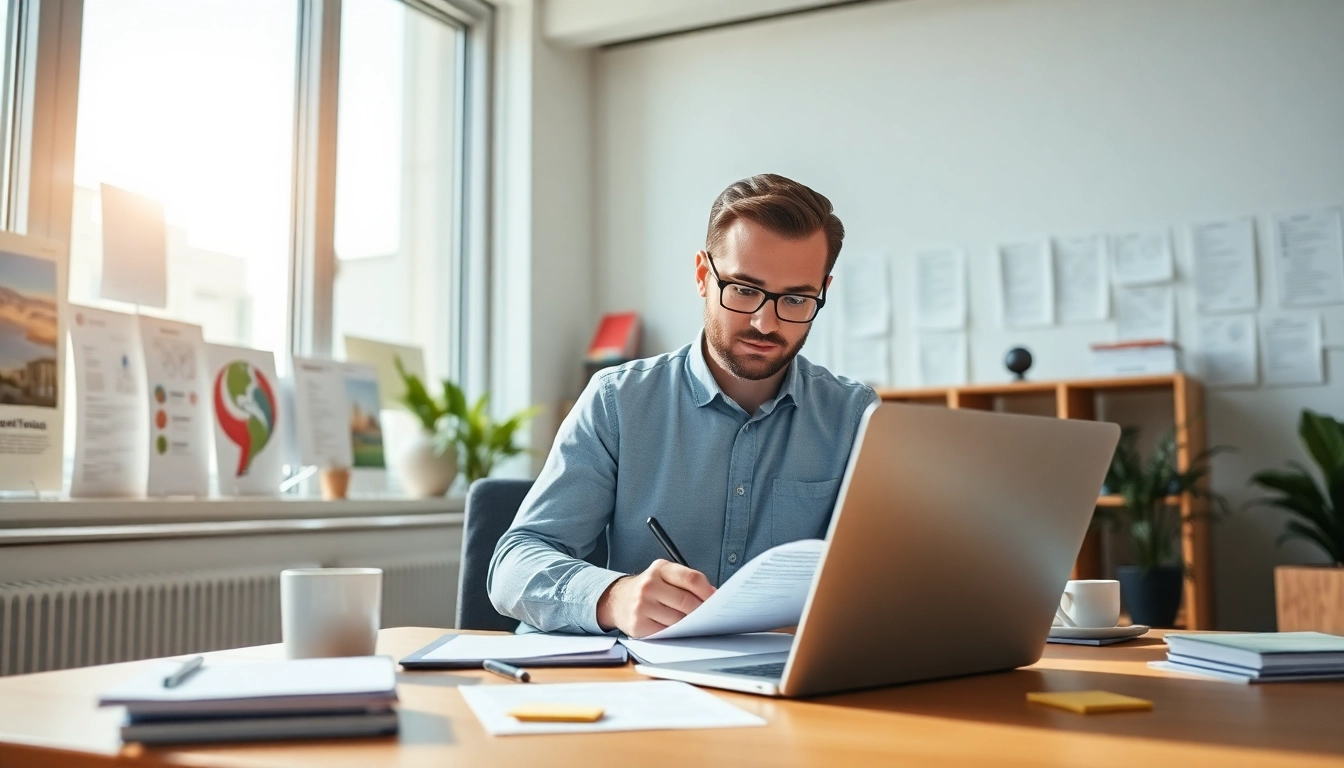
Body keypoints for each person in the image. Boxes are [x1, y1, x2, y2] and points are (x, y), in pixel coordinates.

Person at [488, 173, 877, 637]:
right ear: (702, 275)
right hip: (642, 674)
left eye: (795, 299)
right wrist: (614, 598)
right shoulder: (619, 402)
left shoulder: (856, 418)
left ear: (823, 291)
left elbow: (886, 577)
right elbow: (513, 566)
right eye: (744, 290)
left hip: (788, 674)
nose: (765, 323)